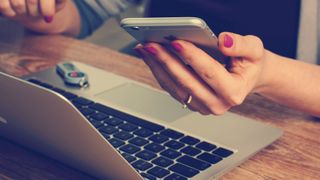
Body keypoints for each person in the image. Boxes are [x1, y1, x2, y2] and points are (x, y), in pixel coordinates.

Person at [1, 0, 319, 116]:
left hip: (285, 125)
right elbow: (80, 12)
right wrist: (39, 9)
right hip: (152, 96)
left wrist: (267, 74)